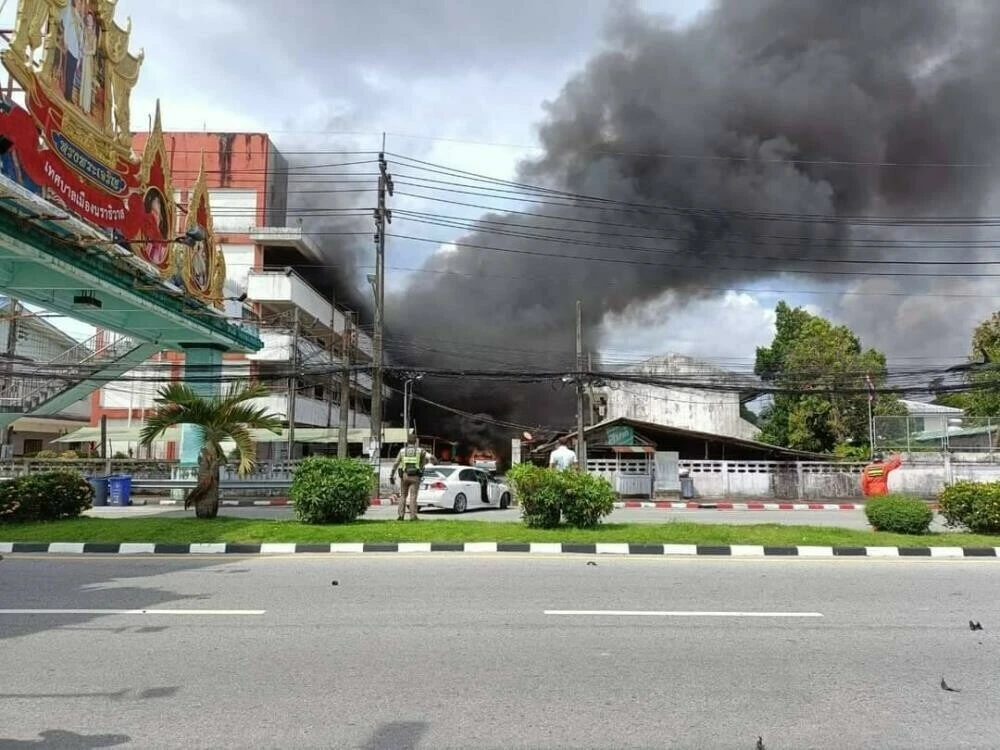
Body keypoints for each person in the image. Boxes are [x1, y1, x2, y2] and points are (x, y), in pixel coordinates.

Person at [390, 435, 434, 521]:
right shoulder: (420, 451)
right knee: (413, 496)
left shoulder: (402, 451)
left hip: (404, 476)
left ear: (407, 441)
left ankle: (400, 516)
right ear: (415, 442)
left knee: (403, 496)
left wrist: (391, 475)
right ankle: (413, 516)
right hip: (415, 476)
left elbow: (396, 463)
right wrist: (434, 461)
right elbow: (430, 457)